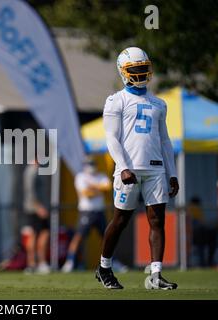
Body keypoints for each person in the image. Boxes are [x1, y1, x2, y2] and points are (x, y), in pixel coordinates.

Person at [95, 47, 179, 290]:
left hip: (155, 169)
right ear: (123, 72)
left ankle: (155, 275)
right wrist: (122, 167)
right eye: (136, 70)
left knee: (157, 220)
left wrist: (172, 172)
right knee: (121, 220)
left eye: (143, 68)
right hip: (129, 168)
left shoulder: (159, 103)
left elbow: (165, 140)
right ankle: (104, 267)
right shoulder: (116, 100)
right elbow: (111, 138)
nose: (141, 73)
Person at [62, 157, 111, 272]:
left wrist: (93, 187)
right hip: (86, 211)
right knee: (78, 237)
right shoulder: (81, 177)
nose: (91, 166)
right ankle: (70, 261)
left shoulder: (101, 175)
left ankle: (111, 261)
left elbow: (108, 187)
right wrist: (99, 189)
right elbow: (86, 193)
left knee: (107, 238)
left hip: (99, 211)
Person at [22, 158, 51, 274]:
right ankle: (38, 263)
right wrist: (39, 207)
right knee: (41, 234)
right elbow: (30, 191)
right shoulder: (32, 171)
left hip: (34, 208)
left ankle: (33, 264)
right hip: (36, 208)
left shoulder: (33, 170)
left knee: (36, 234)